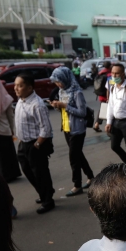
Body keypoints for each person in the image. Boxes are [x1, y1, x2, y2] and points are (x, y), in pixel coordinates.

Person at [14, 72, 55, 214]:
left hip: (35, 144)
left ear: (30, 87)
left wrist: (37, 144)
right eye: (15, 85)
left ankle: (48, 200)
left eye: (20, 86)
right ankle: (44, 192)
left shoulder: (37, 104)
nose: (16, 88)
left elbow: (46, 128)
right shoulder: (21, 100)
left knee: (40, 173)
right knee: (28, 171)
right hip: (23, 143)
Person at [50, 67, 94, 196]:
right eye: (56, 82)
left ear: (65, 78)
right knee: (78, 155)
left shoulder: (77, 93)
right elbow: (64, 111)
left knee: (73, 158)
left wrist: (65, 106)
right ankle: (91, 176)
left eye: (59, 81)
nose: (58, 84)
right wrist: (57, 107)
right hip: (66, 127)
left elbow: (82, 112)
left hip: (77, 129)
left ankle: (77, 185)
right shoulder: (62, 92)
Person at [93, 61, 112, 132]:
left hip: (101, 95)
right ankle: (109, 126)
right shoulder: (109, 74)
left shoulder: (100, 73)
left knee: (102, 109)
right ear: (110, 66)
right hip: (108, 95)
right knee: (109, 111)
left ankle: (97, 124)